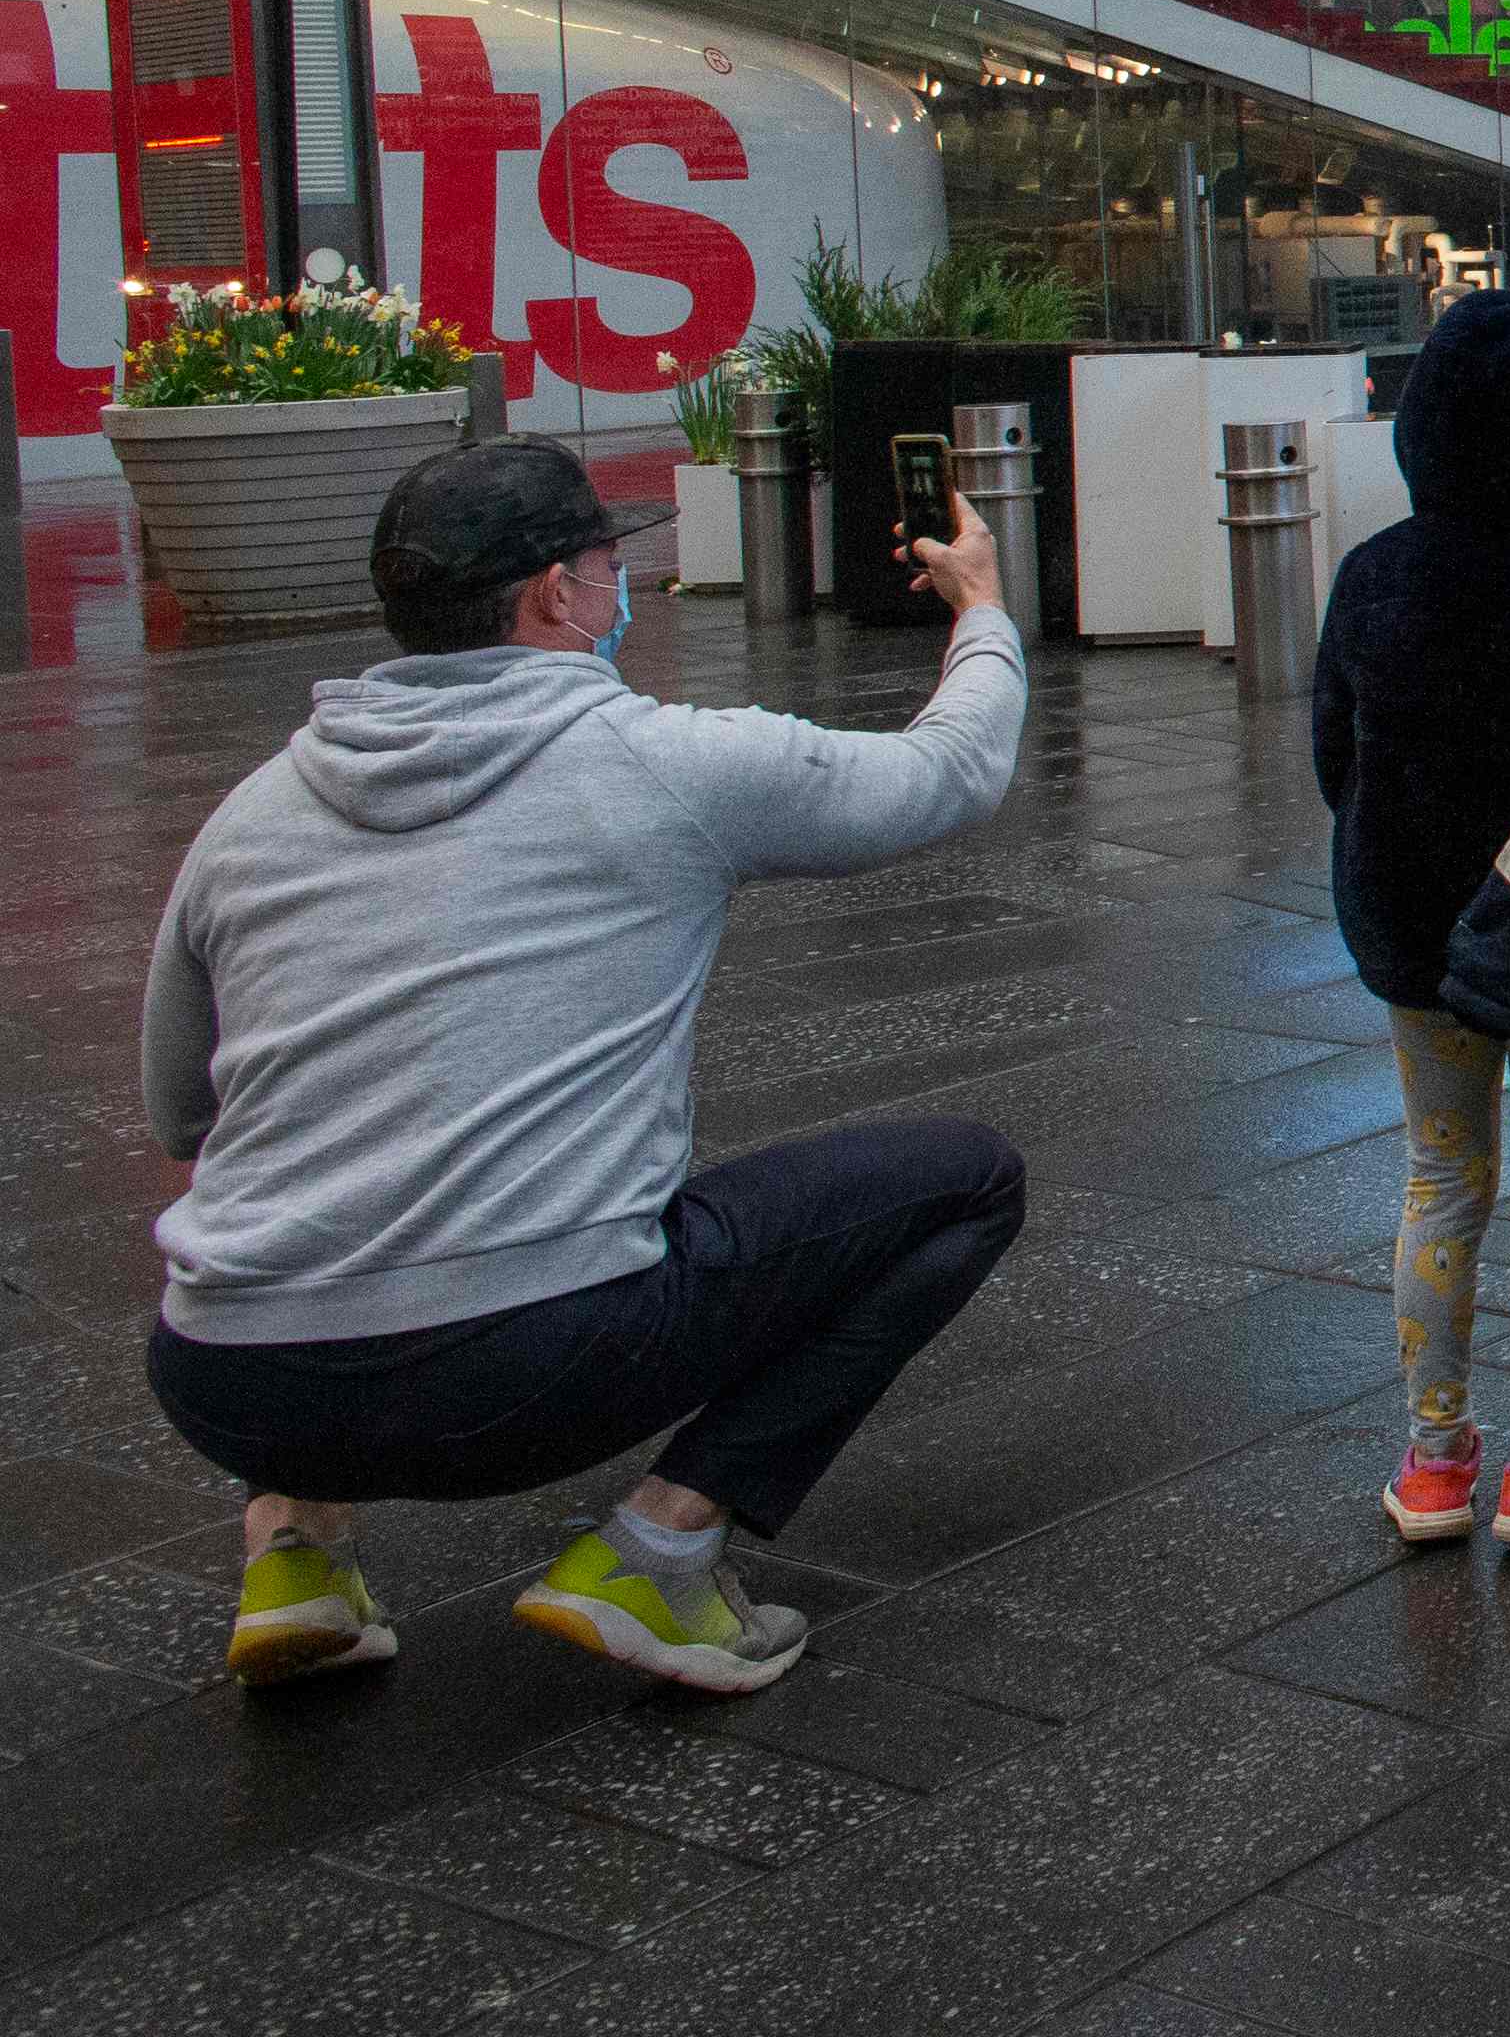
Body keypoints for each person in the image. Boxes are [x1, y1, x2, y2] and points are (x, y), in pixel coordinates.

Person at [140, 437, 1028, 1698]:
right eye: (613, 563)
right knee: (965, 1179)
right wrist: (983, 609)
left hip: (226, 1379)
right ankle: (662, 1550)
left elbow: (182, 1111)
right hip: (526, 1370)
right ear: (558, 592)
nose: (622, 591)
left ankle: (296, 1553)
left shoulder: (252, 813)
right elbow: (950, 771)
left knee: (316, 1153)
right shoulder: (667, 764)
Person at [1315, 290, 1510, 1557]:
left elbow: (1338, 761)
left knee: (1442, 1177)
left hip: (1411, 929)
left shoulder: (1375, 571)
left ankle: (1435, 1463)